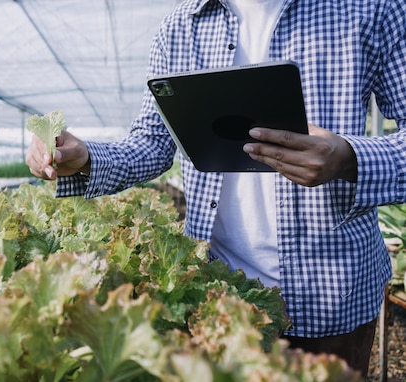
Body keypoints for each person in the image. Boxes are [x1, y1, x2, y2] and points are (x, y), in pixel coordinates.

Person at [26, 0, 406, 377]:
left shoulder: (371, 9)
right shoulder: (180, 26)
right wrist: (86, 157)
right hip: (215, 290)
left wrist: (349, 157)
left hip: (331, 294)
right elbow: (154, 143)